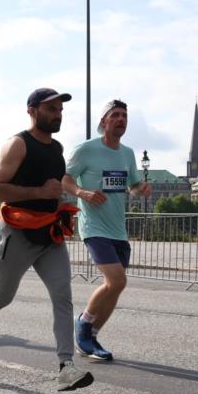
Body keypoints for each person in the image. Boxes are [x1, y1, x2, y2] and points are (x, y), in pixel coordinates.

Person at [0, 88, 93, 392]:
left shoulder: (57, 149)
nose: (58, 114)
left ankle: (65, 367)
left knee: (62, 296)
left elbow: (55, 188)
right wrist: (38, 193)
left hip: (49, 234)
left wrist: (62, 203)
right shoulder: (17, 144)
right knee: (1, 296)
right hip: (18, 233)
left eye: (60, 109)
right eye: (51, 108)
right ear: (32, 110)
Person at [63, 99, 152, 361]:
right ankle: (83, 323)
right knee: (117, 280)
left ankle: (92, 336)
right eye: (115, 115)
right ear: (104, 121)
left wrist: (141, 190)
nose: (121, 119)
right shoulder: (86, 150)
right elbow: (64, 179)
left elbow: (133, 185)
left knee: (115, 286)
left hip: (118, 230)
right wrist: (82, 192)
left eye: (124, 115)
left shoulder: (127, 153)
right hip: (94, 227)